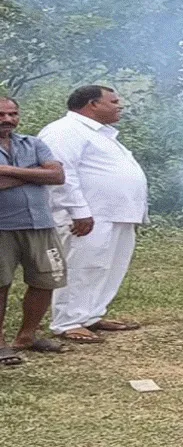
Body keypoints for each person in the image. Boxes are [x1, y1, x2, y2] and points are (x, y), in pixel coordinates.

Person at [38, 85, 149, 344]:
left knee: (108, 268)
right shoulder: (64, 130)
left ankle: (91, 315)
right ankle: (67, 321)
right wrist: (79, 211)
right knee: (82, 266)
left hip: (115, 213)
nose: (119, 105)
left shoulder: (102, 134)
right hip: (88, 215)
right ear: (93, 104)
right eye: (113, 101)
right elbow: (63, 174)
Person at [0, 96, 67, 365]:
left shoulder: (33, 143)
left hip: (40, 224)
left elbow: (57, 176)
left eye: (12, 114)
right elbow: (46, 175)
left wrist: (6, 171)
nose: (7, 119)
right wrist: (34, 173)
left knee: (45, 281)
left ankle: (27, 336)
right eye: (1, 114)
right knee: (0, 285)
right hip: (2, 227)